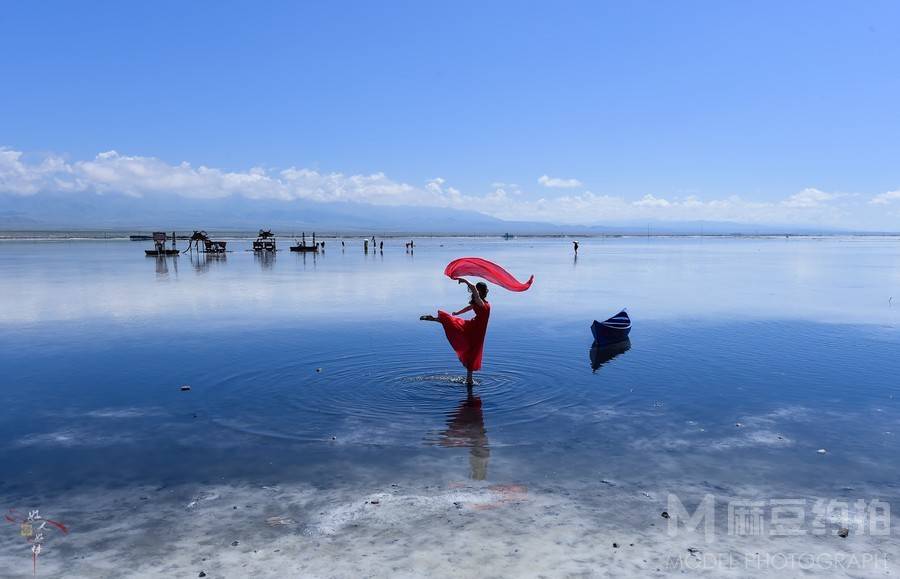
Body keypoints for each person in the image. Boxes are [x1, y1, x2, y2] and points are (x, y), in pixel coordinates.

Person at [420, 278, 490, 386]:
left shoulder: (479, 302)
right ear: (481, 291)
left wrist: (457, 313)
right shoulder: (480, 302)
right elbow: (473, 289)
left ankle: (433, 319)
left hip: (476, 328)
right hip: (476, 330)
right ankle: (469, 380)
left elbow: (468, 308)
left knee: (470, 348)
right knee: (472, 351)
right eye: (485, 289)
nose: (486, 291)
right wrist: (464, 280)